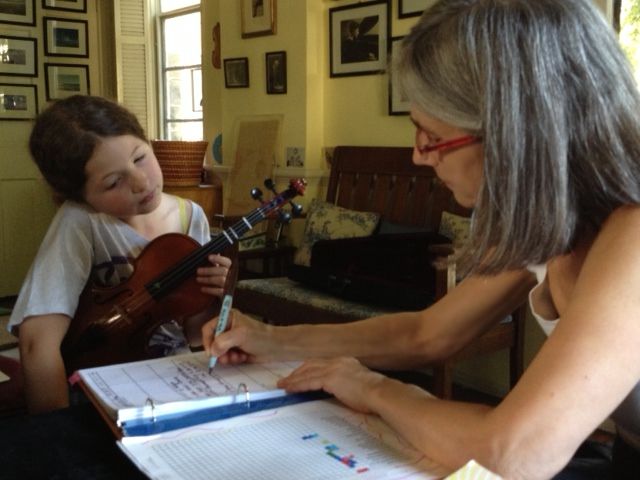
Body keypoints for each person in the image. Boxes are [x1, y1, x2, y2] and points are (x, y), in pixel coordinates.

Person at [202, 1, 640, 478]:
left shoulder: (632, 229)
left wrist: (374, 388)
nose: (418, 157)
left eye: (430, 136)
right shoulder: (550, 219)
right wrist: (270, 339)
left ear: (515, 134)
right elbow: (427, 333)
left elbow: (512, 453)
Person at [8, 95, 231, 414]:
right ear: (79, 196)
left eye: (140, 158)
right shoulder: (81, 221)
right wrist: (57, 438)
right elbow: (36, 342)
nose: (141, 183)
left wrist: (211, 293)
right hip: (103, 388)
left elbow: (195, 332)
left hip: (176, 382)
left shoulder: (191, 216)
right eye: (114, 182)